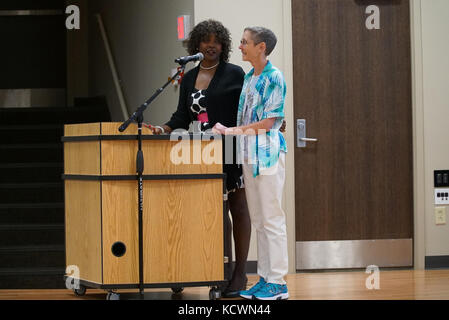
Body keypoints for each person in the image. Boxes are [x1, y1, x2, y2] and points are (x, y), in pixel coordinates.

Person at [147, 19, 251, 297]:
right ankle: (214, 271)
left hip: (230, 146)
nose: (211, 45)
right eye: (206, 40)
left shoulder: (234, 73)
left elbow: (248, 107)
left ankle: (240, 273)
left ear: (223, 45)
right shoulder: (189, 77)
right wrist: (162, 129)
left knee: (237, 208)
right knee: (208, 211)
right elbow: (182, 115)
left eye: (216, 41)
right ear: (197, 45)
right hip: (202, 149)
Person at [213, 26, 289, 300]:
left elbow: (269, 123)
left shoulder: (275, 78)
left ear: (261, 48)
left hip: (267, 155)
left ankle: (278, 282)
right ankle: (265, 278)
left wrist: (230, 131)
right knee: (259, 220)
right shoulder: (248, 79)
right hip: (248, 156)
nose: (240, 46)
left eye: (245, 42)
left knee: (272, 219)